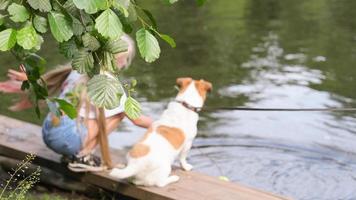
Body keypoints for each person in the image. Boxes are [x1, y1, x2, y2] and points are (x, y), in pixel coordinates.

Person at [0, 34, 153, 172]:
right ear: (117, 59)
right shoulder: (110, 84)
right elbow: (137, 119)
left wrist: (29, 80)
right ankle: (83, 156)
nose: (125, 63)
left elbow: (48, 84)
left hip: (49, 131)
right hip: (66, 139)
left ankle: (72, 155)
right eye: (125, 58)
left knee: (86, 115)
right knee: (119, 114)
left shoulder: (79, 69)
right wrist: (164, 124)